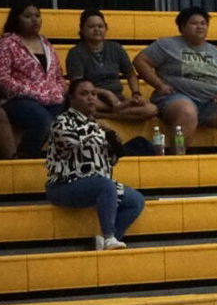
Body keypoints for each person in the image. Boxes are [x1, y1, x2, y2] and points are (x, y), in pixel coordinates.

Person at [45, 79, 146, 250]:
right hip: (64, 185)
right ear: (71, 98)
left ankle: (101, 242)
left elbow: (110, 161)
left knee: (136, 200)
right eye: (84, 94)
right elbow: (69, 142)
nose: (91, 98)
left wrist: (114, 143)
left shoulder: (96, 125)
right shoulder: (61, 121)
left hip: (96, 184)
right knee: (105, 185)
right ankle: (109, 236)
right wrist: (95, 128)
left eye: (93, 94)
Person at [133, 6, 217, 153]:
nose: (199, 27)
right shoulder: (166, 44)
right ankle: (179, 160)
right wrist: (159, 85)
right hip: (176, 98)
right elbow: (140, 61)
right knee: (187, 111)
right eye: (194, 23)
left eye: (203, 23)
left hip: (210, 102)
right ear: (182, 27)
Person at [0, 3, 67, 156]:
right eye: (28, 16)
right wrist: (27, 91)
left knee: (69, 121)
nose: (34, 20)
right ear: (16, 19)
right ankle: (25, 155)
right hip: (18, 99)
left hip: (52, 99)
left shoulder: (46, 43)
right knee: (43, 122)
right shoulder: (7, 44)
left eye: (37, 16)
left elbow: (58, 74)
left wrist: (58, 90)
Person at [65, 10, 156, 124]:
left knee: (151, 109)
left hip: (118, 98)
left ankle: (107, 114)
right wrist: (106, 93)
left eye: (100, 26)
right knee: (86, 101)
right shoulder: (76, 53)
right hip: (93, 98)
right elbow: (78, 86)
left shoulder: (116, 48)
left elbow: (130, 74)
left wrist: (136, 93)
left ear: (106, 28)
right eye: (91, 26)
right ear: (82, 30)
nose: (97, 29)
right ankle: (118, 109)